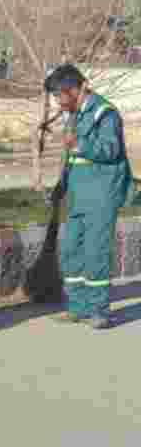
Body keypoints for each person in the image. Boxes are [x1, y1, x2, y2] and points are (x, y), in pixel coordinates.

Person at [45, 63, 133, 329]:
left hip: (102, 193)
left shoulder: (105, 113)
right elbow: (74, 158)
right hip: (78, 194)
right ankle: (78, 307)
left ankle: (99, 310)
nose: (58, 102)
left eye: (60, 95)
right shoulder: (75, 112)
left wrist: (79, 144)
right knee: (71, 249)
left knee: (96, 251)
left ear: (76, 89)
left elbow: (110, 149)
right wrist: (61, 184)